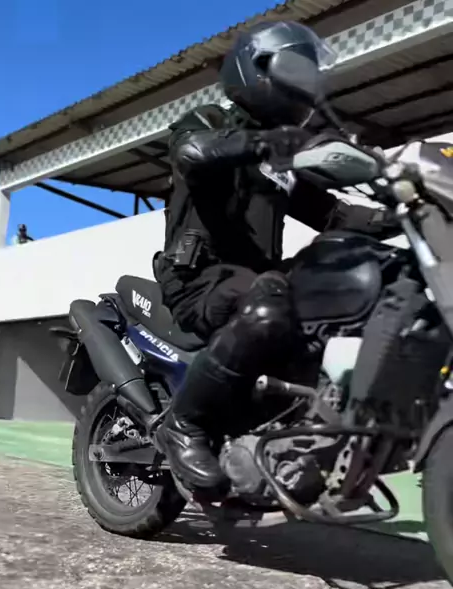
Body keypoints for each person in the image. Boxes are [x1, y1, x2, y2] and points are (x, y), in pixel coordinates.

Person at [156, 20, 397, 495]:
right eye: (295, 70)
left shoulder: (282, 164)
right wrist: (262, 144)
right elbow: (192, 154)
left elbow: (335, 214)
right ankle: (182, 424)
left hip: (257, 280)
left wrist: (402, 213)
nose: (304, 85)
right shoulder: (209, 121)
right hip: (200, 280)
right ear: (258, 68)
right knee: (270, 301)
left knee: (353, 282)